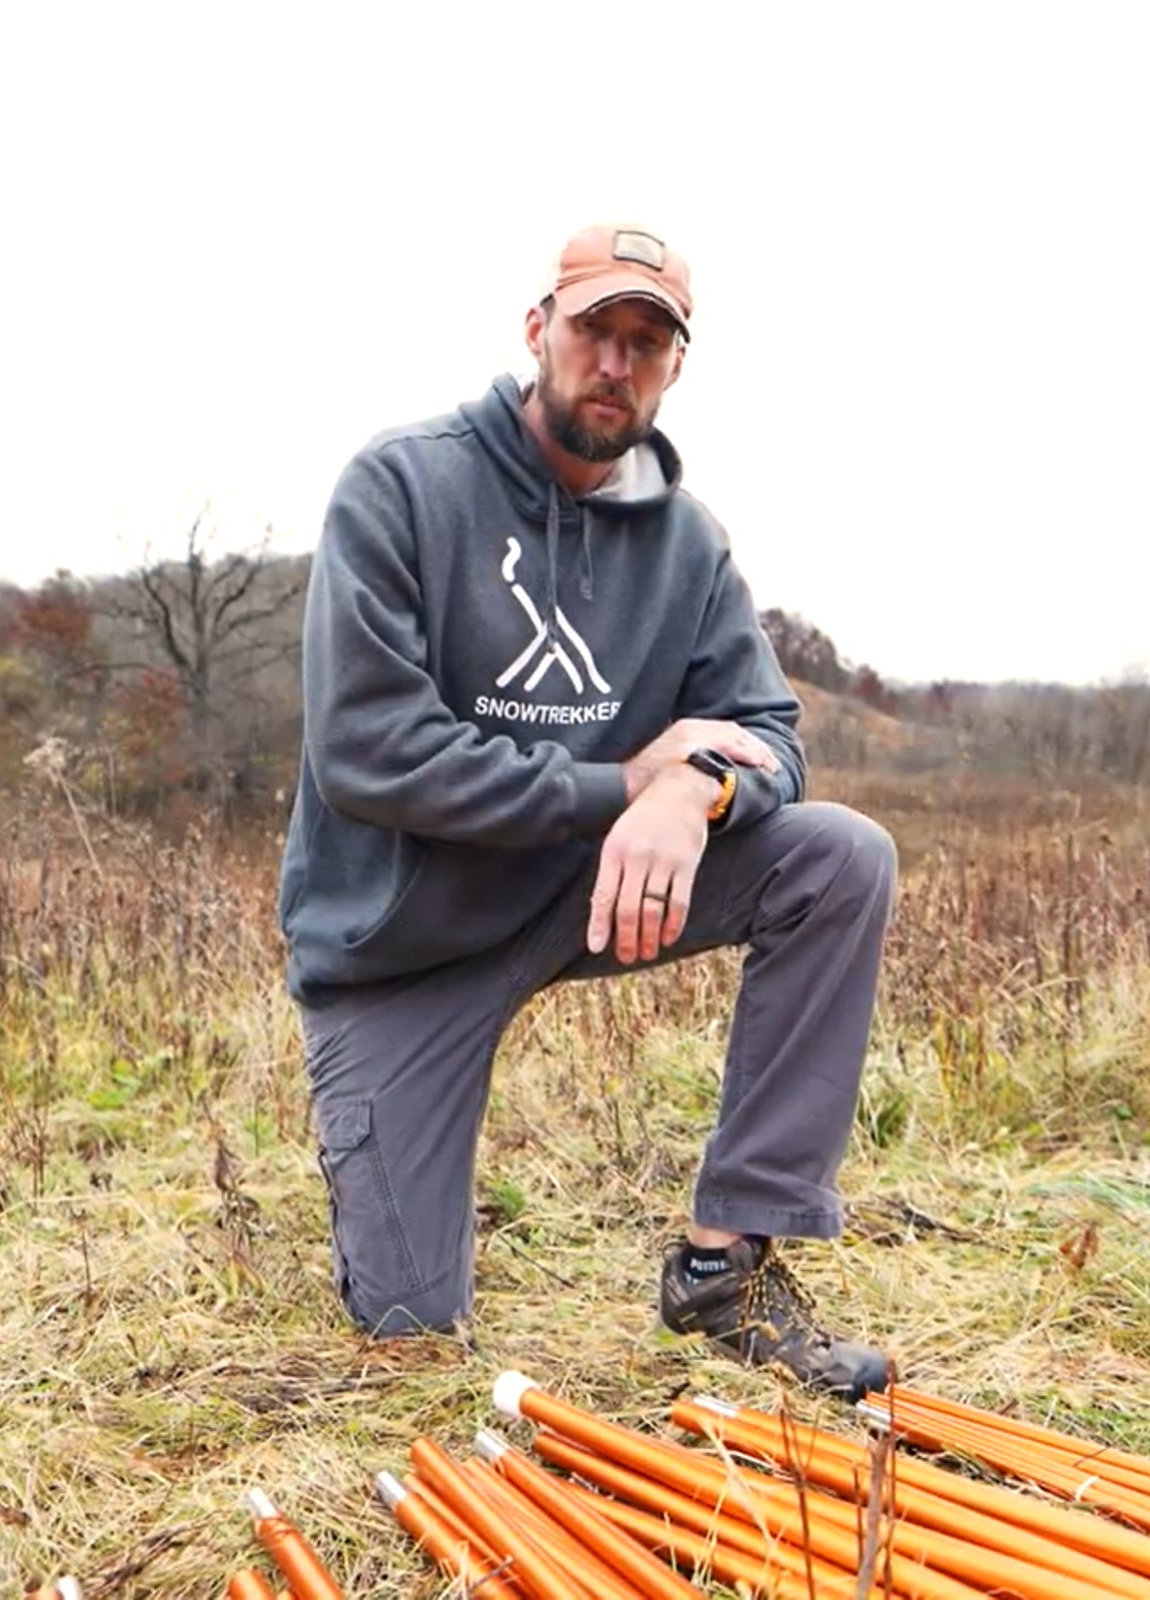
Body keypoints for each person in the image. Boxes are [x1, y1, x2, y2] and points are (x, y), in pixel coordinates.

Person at [276, 221, 896, 1397]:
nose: (615, 362)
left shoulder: (687, 543)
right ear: (536, 332)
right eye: (593, 331)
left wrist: (693, 793)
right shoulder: (402, 485)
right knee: (413, 1337)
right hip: (401, 948)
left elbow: (770, 737)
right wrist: (621, 784)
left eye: (646, 342)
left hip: (582, 895)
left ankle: (727, 1262)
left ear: (671, 369)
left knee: (836, 858)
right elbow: (368, 751)